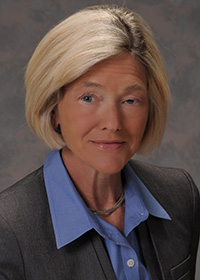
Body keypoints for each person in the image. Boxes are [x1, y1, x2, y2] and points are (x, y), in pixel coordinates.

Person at [0, 4, 199, 280]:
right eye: (89, 98)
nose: (113, 122)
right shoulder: (7, 229)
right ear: (53, 108)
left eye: (130, 100)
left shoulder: (180, 196)